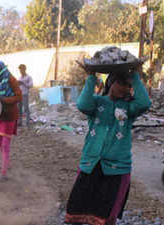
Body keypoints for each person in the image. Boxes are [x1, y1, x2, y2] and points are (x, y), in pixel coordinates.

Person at [64, 66, 151, 225]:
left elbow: (145, 103)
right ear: (110, 83)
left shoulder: (128, 108)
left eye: (127, 85)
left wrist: (136, 77)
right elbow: (83, 104)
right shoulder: (97, 103)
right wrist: (91, 76)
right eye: (120, 83)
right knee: (79, 207)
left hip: (116, 167)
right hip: (91, 163)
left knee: (106, 213)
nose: (124, 88)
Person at [0, 61, 22, 181]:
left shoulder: (11, 79)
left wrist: (4, 100)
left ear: (1, 69)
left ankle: (4, 173)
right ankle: (7, 161)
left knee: (5, 144)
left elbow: (19, 96)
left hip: (9, 115)